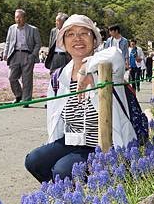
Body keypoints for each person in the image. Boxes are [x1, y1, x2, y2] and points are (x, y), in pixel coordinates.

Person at [24, 14, 137, 183]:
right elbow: (55, 120)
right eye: (70, 34)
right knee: (34, 160)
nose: (77, 39)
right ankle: (67, 197)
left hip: (101, 142)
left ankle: (82, 198)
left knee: (62, 170)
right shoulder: (58, 76)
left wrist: (86, 68)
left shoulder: (107, 68)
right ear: (63, 42)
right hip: (71, 139)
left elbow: (116, 54)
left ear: (95, 39)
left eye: (84, 33)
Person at [4, 9, 41, 104]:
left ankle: (26, 100)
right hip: (14, 54)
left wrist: (33, 55)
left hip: (27, 55)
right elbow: (8, 42)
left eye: (20, 17)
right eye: (16, 17)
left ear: (25, 18)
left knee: (27, 79)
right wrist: (5, 53)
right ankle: (18, 95)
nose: (18, 20)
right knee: (12, 77)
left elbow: (38, 43)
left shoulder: (33, 29)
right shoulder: (11, 28)